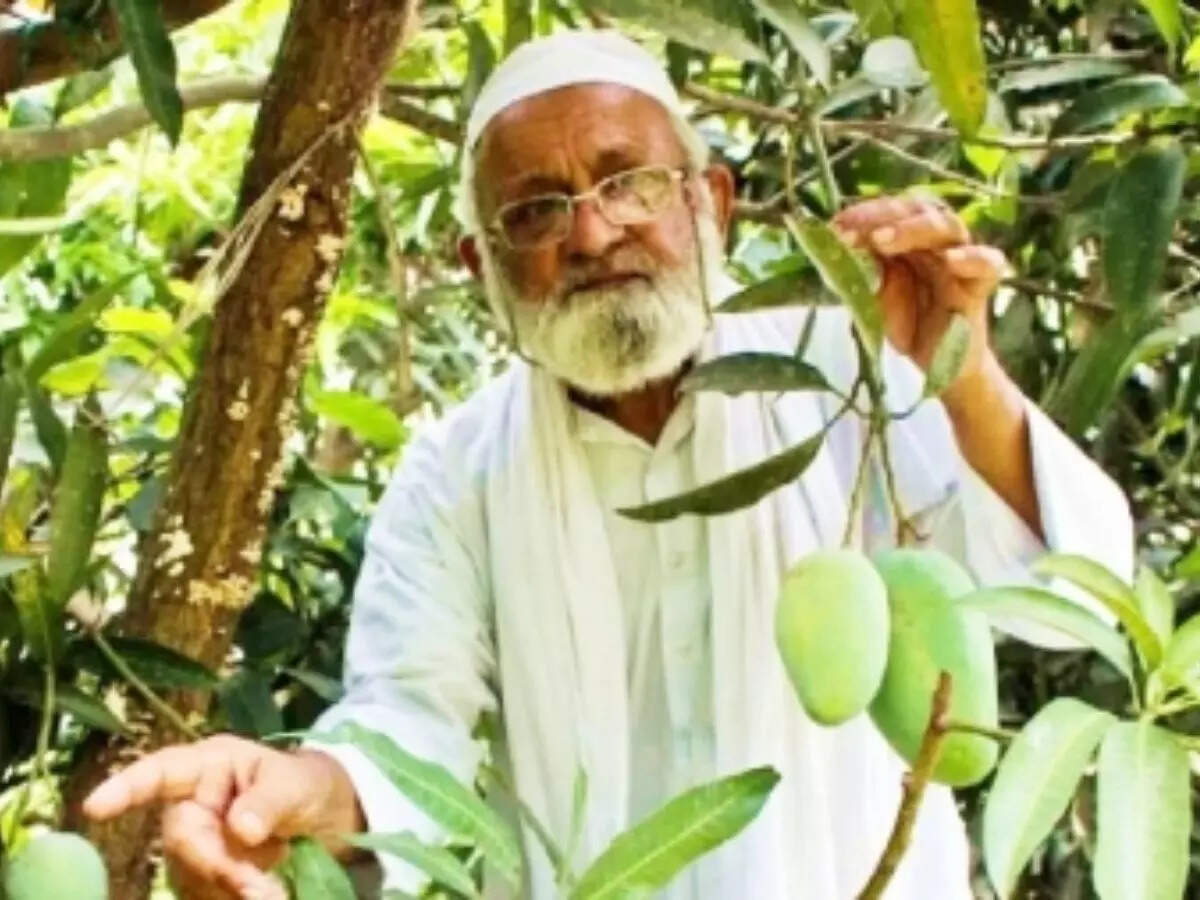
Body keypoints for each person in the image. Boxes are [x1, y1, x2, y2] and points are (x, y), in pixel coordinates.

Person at [82, 30, 1133, 900]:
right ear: (480, 270)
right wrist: (304, 786)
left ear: (711, 204)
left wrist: (960, 371)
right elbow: (410, 726)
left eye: (630, 181)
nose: (592, 232)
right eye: (535, 210)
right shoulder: (453, 477)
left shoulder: (838, 370)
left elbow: (1064, 589)